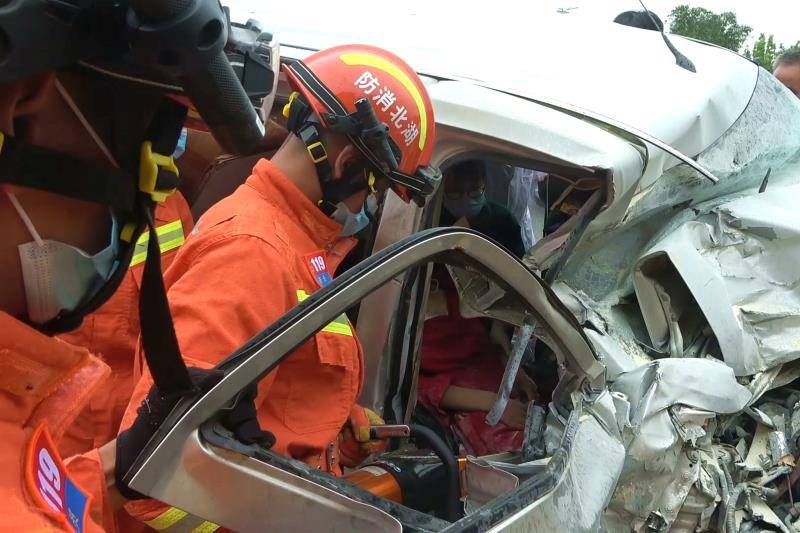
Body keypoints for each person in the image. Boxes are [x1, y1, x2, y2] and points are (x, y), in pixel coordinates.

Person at [118, 42, 438, 526]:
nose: (368, 209)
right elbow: (157, 481)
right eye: (373, 190)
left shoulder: (295, 248)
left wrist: (335, 427)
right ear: (346, 164)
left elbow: (258, 410)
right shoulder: (255, 254)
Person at [418, 161, 533, 456]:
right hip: (481, 407)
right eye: (457, 192)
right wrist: (497, 405)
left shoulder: (462, 303)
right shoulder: (413, 322)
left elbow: (490, 338)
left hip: (496, 382)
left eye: (474, 190)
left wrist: (517, 375)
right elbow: (427, 389)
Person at [440, 160, 525, 257]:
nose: (465, 200)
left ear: (484, 185)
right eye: (455, 192)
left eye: (474, 192)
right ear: (443, 189)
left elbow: (519, 265)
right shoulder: (435, 220)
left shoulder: (504, 221)